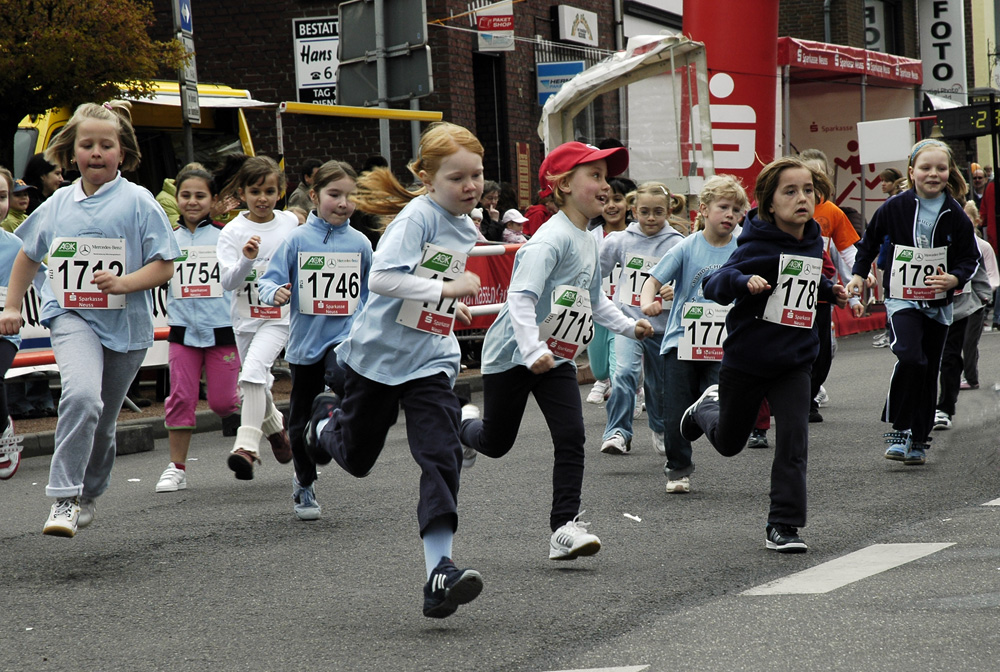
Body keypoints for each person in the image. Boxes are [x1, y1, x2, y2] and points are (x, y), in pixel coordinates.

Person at [303, 122, 485, 619]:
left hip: (429, 357)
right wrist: (444, 292)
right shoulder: (417, 218)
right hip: (378, 358)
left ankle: (438, 573)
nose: (470, 186)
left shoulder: (466, 224)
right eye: (457, 177)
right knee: (357, 459)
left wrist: (447, 308)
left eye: (477, 175)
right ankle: (322, 428)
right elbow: (383, 279)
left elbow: (431, 280)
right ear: (427, 179)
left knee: (441, 454)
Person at [459, 141, 653, 561]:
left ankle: (563, 527)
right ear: (563, 184)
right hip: (513, 355)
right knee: (496, 442)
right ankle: (464, 428)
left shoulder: (588, 237)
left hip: (557, 355)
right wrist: (531, 351)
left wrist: (628, 325)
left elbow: (594, 299)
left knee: (570, 435)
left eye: (607, 178)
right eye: (595, 177)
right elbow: (520, 299)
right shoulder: (548, 241)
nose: (606, 186)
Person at [0, 101, 180, 536]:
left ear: (122, 152)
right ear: (71, 152)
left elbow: (166, 264)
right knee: (82, 397)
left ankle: (89, 490)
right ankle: (64, 495)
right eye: (87, 144)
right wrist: (11, 305)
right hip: (71, 315)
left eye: (106, 144)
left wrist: (125, 283)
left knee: (102, 418)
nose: (96, 152)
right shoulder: (59, 203)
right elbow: (28, 254)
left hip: (127, 327)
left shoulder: (139, 202)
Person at [678, 156, 847, 553]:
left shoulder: (812, 236)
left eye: (808, 190)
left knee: (794, 439)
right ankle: (705, 408)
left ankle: (783, 525)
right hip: (749, 359)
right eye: (790, 191)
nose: (802, 198)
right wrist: (741, 280)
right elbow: (714, 283)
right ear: (770, 204)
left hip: (794, 361)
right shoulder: (753, 243)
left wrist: (829, 291)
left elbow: (803, 281)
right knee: (729, 442)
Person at [846, 139, 980, 466]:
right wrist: (859, 276)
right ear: (912, 172)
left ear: (950, 173)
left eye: (940, 168)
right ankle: (900, 428)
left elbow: (970, 257)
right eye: (925, 167)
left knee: (928, 366)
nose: (933, 174)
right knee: (910, 357)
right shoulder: (894, 207)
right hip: (901, 299)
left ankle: (919, 440)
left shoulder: (955, 214)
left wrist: (955, 278)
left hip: (938, 305)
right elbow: (868, 244)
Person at [257, 160, 372, 520]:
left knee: (341, 377)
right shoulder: (296, 240)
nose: (342, 203)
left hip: (345, 338)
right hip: (306, 342)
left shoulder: (361, 243)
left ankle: (329, 419)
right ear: (313, 196)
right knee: (299, 415)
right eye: (334, 195)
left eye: (350, 196)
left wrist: (369, 325)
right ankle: (304, 482)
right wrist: (274, 292)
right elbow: (266, 280)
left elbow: (372, 293)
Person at [639, 174, 748, 493]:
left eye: (737, 210)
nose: (730, 215)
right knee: (673, 410)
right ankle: (678, 468)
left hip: (723, 343)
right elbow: (653, 281)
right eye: (723, 207)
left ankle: (699, 419)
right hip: (680, 343)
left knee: (717, 403)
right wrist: (648, 303)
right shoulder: (687, 247)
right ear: (703, 209)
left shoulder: (743, 248)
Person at [155, 168, 241, 494]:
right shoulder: (167, 240)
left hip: (222, 331)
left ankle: (269, 420)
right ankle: (176, 468)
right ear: (177, 198)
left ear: (214, 200)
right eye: (186, 195)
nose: (192, 202)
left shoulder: (226, 236)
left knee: (223, 403)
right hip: (182, 333)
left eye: (200, 195)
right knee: (181, 398)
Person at [217, 156, 298, 480]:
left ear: (281, 192)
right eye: (255, 191)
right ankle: (277, 431)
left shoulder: (291, 224)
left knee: (251, 373)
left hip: (280, 316)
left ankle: (246, 447)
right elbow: (228, 282)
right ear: (242, 193)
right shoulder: (233, 231)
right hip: (245, 317)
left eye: (269, 190)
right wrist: (247, 261)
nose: (262, 198)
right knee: (255, 382)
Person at [598, 182, 684, 456]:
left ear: (669, 211)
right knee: (623, 373)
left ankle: (659, 428)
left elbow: (691, 283)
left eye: (658, 212)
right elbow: (595, 271)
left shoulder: (678, 244)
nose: (650, 218)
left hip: (662, 328)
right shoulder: (620, 240)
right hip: (629, 324)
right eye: (644, 211)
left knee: (657, 386)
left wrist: (674, 289)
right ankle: (617, 433)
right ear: (633, 210)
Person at [0, 167, 47, 480]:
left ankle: (3, 429)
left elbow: (49, 279)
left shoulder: (17, 245)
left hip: (4, 330)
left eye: (2, 196)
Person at [933, 233, 998, 429]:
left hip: (959, 304)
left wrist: (983, 295)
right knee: (920, 357)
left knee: (952, 354)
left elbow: (978, 267)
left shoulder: (967, 235)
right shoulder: (911, 225)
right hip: (922, 303)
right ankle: (918, 405)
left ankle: (944, 408)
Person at [585, 176, 636, 406]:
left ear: (630, 204)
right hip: (597, 309)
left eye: (618, 199)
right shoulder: (590, 237)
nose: (612, 205)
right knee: (599, 367)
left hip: (626, 309)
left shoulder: (638, 236)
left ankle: (628, 393)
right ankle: (603, 380)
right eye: (606, 200)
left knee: (621, 364)